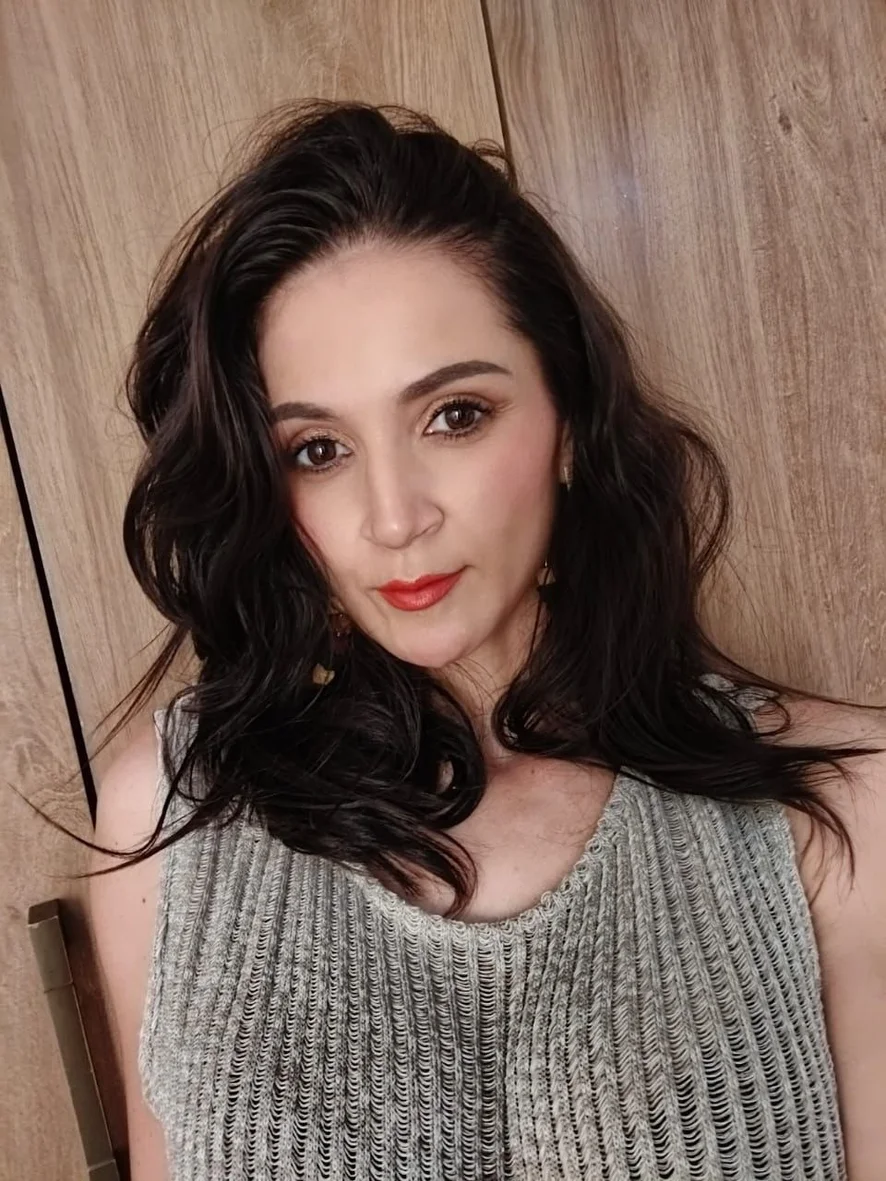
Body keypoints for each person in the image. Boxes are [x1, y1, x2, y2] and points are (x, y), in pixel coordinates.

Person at [71, 99, 886, 1179]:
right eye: (317, 449)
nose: (394, 516)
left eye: (454, 414)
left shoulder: (838, 807)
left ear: (568, 421)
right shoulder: (173, 811)